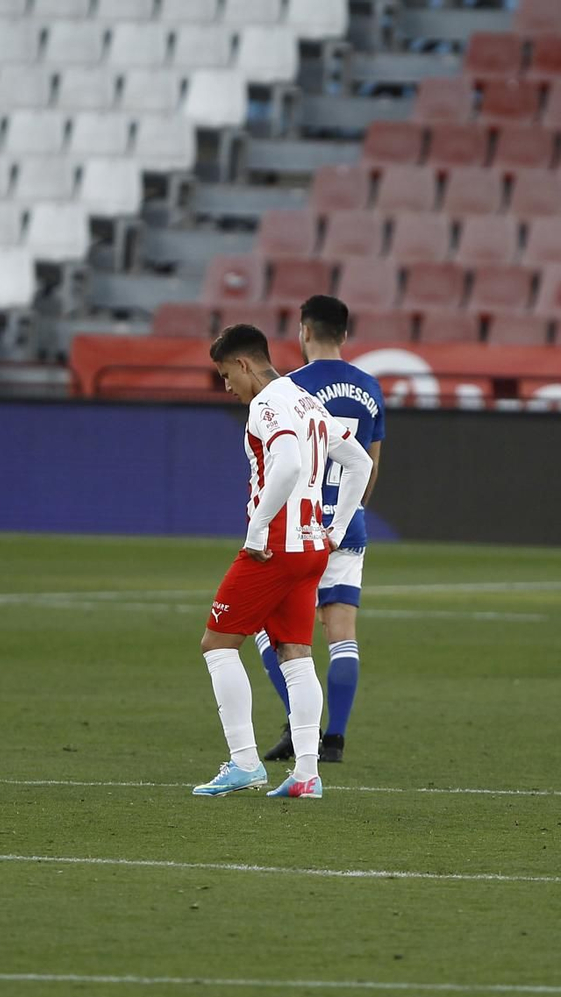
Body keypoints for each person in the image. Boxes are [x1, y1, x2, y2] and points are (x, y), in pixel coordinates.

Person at [193, 324, 373, 800]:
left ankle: (244, 762)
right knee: (295, 653)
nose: (226, 386)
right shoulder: (307, 400)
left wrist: (257, 528)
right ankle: (308, 773)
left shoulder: (268, 403)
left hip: (275, 546)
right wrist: (335, 528)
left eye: (226, 374)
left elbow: (289, 463)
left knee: (217, 644)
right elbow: (360, 463)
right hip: (313, 545)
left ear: (244, 363)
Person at [257, 295, 385, 765]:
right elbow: (370, 465)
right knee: (343, 635)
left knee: (273, 631)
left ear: (303, 331)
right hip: (349, 526)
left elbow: (283, 461)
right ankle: (334, 740)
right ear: (345, 335)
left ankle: (300, 725)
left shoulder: (290, 389)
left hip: (301, 527)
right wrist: (350, 513)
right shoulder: (370, 388)